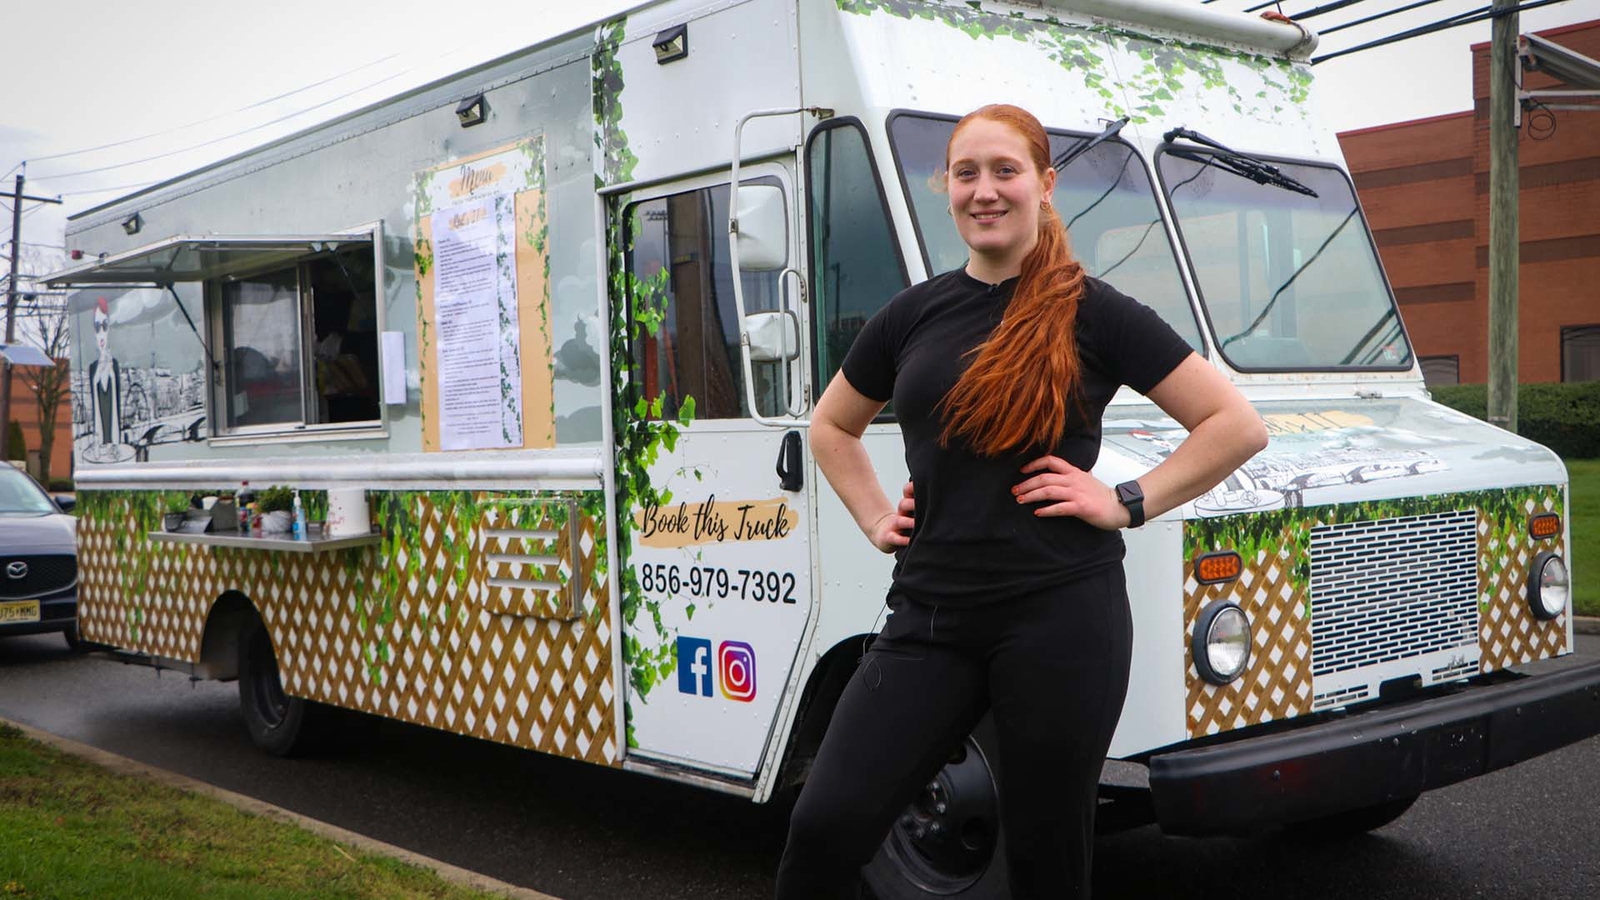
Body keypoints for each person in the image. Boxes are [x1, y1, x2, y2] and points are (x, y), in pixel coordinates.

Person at [775, 104, 1269, 899]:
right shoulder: (912, 314)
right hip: (931, 616)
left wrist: (1125, 500)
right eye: (966, 173)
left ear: (1044, 184)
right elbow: (833, 425)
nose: (985, 190)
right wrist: (874, 516)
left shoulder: (1093, 309)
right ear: (945, 189)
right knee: (826, 825)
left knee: (1045, 857)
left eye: (1005, 171)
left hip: (1060, 615)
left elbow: (1234, 425)